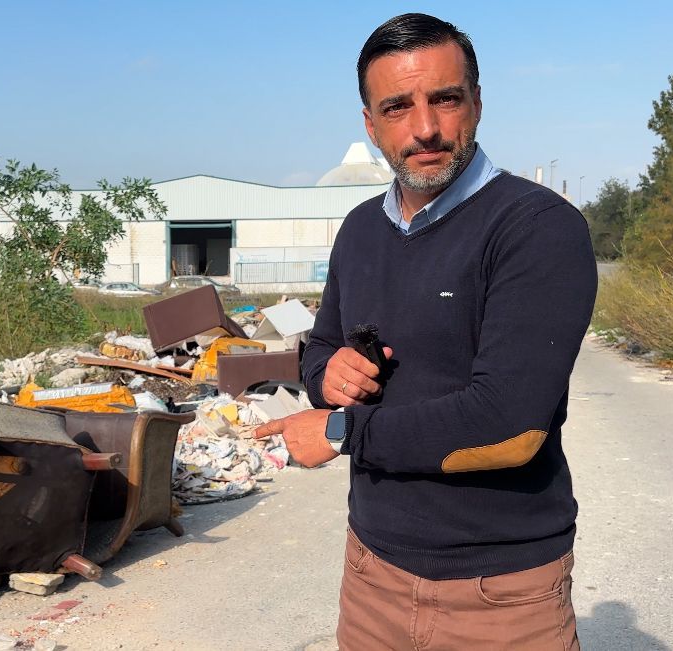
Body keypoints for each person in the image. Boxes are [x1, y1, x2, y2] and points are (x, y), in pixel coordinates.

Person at [254, 13, 597, 650]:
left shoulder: (535, 228)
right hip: (372, 571)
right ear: (369, 124)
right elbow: (320, 345)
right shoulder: (359, 230)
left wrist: (338, 428)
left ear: (476, 103)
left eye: (444, 98)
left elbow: (511, 428)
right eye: (397, 106)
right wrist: (326, 372)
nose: (425, 128)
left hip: (500, 589)